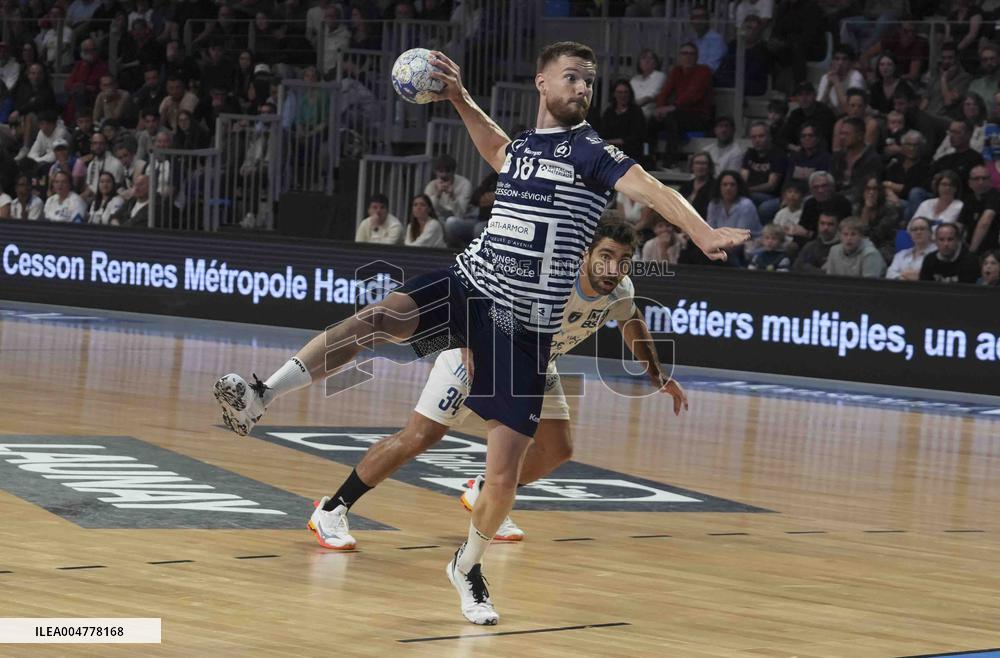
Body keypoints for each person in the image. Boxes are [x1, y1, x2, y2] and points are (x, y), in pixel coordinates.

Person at [212, 42, 747, 627]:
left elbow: (654, 191)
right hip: (471, 282)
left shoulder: (592, 151)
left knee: (502, 475)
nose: (583, 89)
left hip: (523, 327)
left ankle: (467, 566)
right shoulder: (525, 150)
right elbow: (497, 148)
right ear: (541, 82)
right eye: (572, 78)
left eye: (589, 82)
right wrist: (462, 97)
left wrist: (698, 230)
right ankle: (262, 394)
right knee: (377, 321)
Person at [312, 222, 686, 551]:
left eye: (623, 259)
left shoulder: (619, 291)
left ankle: (484, 493)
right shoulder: (551, 275)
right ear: (586, 252)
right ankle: (332, 509)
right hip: (479, 352)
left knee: (558, 448)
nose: (613, 267)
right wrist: (469, 342)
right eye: (606, 255)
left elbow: (630, 318)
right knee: (419, 437)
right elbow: (477, 293)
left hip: (533, 364)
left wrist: (656, 372)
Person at [650, 42, 713, 161]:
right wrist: (659, 109)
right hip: (679, 112)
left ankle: (671, 161)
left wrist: (672, 107)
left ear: (697, 57)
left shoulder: (704, 71)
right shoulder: (676, 71)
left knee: (672, 119)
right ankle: (648, 155)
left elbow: (693, 95)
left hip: (698, 116)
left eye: (691, 54)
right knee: (652, 121)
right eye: (684, 53)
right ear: (680, 57)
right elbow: (665, 92)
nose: (688, 56)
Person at [706, 170, 762, 264]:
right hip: (721, 245)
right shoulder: (714, 204)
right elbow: (710, 230)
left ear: (738, 187)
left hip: (746, 247)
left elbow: (740, 237)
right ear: (719, 187)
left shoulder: (746, 205)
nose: (728, 188)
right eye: (725, 184)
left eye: (732, 185)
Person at [741, 121, 787, 222]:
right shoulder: (749, 154)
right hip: (751, 193)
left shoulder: (778, 155)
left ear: (769, 137)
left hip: (774, 196)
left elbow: (771, 185)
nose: (757, 140)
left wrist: (748, 190)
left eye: (761, 136)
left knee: (764, 208)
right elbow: (743, 178)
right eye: (754, 137)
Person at [830, 117, 883, 205]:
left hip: (858, 199)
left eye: (847, 134)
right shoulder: (837, 156)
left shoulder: (872, 158)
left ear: (860, 135)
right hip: (836, 195)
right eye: (841, 134)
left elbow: (864, 187)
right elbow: (832, 179)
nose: (842, 137)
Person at [854, 176, 900, 263]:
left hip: (884, 247)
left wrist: (866, 211)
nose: (871, 192)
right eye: (868, 188)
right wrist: (865, 210)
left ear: (880, 191)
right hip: (859, 245)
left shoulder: (890, 209)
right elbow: (855, 232)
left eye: (875, 189)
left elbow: (876, 236)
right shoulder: (857, 208)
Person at [601, 79, 646, 162]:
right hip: (610, 149)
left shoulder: (636, 111)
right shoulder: (609, 111)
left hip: (630, 151)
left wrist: (611, 141)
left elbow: (635, 137)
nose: (623, 95)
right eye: (619, 92)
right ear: (614, 94)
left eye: (625, 92)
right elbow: (603, 132)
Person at [923, 42, 971, 119]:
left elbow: (948, 101)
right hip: (929, 118)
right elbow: (925, 101)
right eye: (944, 58)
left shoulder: (964, 78)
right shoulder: (935, 76)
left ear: (957, 58)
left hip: (947, 121)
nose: (946, 61)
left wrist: (943, 79)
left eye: (950, 57)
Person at [424, 153, 472, 223]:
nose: (444, 175)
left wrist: (453, 196)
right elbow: (427, 211)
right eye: (441, 171)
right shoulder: (431, 185)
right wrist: (438, 194)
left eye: (448, 171)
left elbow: (460, 214)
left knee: (451, 221)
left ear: (453, 171)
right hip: (438, 220)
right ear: (436, 172)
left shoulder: (465, 184)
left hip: (459, 220)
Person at [817, 46, 865, 115]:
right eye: (837, 59)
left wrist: (836, 82)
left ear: (850, 63)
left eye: (844, 59)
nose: (840, 63)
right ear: (832, 61)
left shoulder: (856, 76)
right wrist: (828, 87)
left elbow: (849, 110)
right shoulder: (825, 77)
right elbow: (819, 108)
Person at [962, 165, 1000, 253]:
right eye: (976, 179)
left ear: (990, 181)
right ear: (969, 183)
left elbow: (985, 222)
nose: (981, 182)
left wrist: (971, 251)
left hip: (993, 250)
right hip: (970, 247)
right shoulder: (968, 200)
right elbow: (960, 225)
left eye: (984, 178)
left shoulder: (996, 196)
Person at [786, 81, 836, 148]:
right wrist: (792, 147)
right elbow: (782, 137)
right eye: (800, 95)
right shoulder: (795, 114)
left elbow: (822, 140)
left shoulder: (825, 113)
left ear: (815, 96)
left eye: (808, 94)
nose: (804, 98)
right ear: (796, 98)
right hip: (799, 152)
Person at [886, 216, 937, 280]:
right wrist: (904, 277)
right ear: (910, 234)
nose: (918, 232)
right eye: (914, 229)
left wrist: (920, 276)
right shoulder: (900, 255)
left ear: (930, 232)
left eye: (922, 229)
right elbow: (889, 274)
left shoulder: (937, 254)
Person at [630, 48, 667, 121]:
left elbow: (650, 97)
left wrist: (629, 106)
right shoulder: (634, 79)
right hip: (631, 111)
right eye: (643, 58)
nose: (647, 60)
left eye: (651, 58)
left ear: (656, 63)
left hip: (648, 114)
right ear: (639, 63)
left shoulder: (659, 76)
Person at [679, 151, 714, 216]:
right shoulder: (686, 186)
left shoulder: (715, 186)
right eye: (697, 163)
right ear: (692, 166)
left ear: (709, 166)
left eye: (704, 163)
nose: (700, 166)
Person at [969, 43, 1000, 116]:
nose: (989, 63)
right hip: (979, 124)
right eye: (985, 60)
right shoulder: (975, 85)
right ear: (981, 63)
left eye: (992, 59)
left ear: (999, 59)